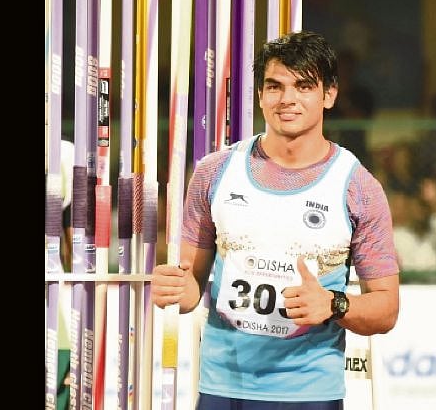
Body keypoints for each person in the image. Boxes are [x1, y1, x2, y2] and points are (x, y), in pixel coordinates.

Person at [152, 31, 400, 410]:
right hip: (222, 386)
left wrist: (333, 304)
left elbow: (386, 309)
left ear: (329, 95)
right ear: (260, 95)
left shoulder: (358, 188)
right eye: (275, 86)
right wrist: (174, 289)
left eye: (304, 86)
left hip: (310, 392)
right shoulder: (214, 172)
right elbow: (191, 288)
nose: (287, 99)